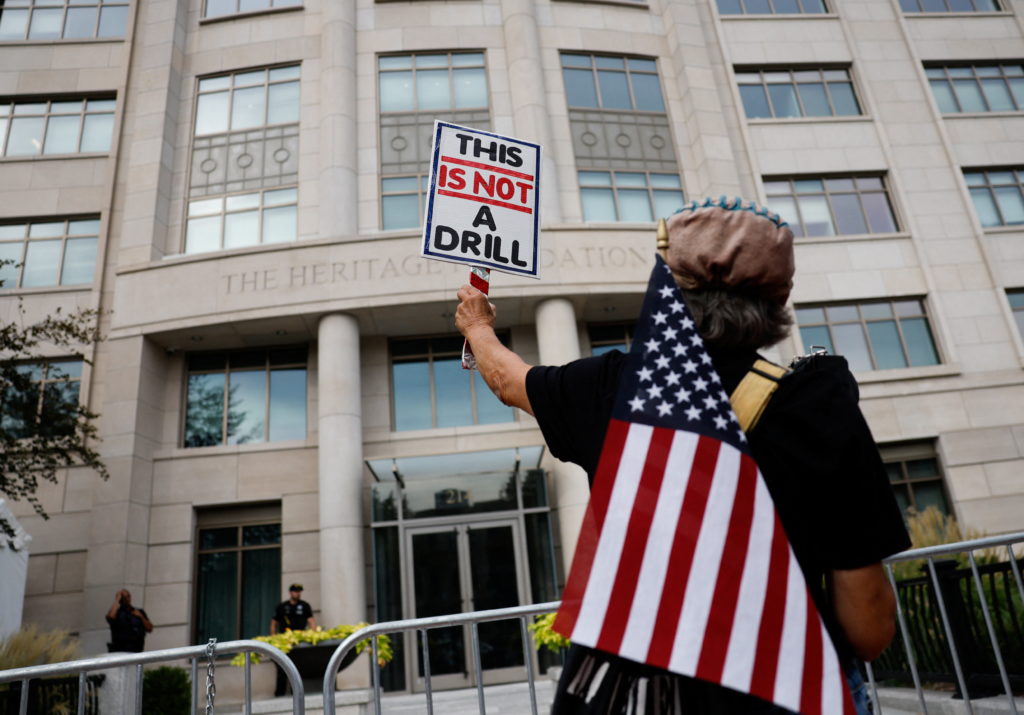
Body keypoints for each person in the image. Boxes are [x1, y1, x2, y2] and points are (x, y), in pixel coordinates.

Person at [454, 197, 911, 714]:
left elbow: (508, 381)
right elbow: (870, 628)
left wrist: (477, 325)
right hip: (791, 689)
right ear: (779, 298)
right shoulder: (817, 406)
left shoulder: (610, 388)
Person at [271, 583, 317, 697]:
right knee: (282, 668)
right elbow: (274, 623)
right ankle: (280, 693)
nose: (298, 593)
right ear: (290, 593)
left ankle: (296, 692)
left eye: (299, 591)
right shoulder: (282, 607)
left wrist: (314, 634)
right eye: (296, 591)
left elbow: (311, 621)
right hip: (284, 641)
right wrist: (273, 637)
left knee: (297, 667)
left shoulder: (304, 605)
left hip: (299, 641)